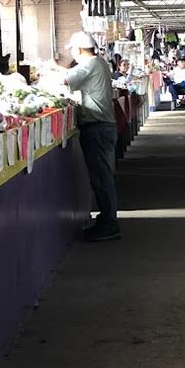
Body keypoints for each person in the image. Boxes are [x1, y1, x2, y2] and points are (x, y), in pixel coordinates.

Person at [63, 31, 120, 242]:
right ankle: (107, 220)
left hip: (97, 128)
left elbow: (65, 79)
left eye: (73, 50)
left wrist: (52, 67)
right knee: (102, 177)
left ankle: (109, 224)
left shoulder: (92, 64)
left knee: (101, 178)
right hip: (100, 127)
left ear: (78, 49)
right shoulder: (99, 63)